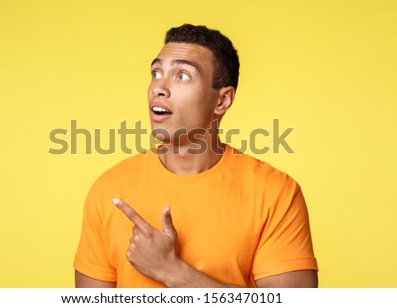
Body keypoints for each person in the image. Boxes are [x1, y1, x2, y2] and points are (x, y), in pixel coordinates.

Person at [73, 24, 318, 287]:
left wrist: (172, 271)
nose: (159, 87)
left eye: (183, 76)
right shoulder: (109, 190)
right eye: (156, 72)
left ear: (222, 101)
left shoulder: (275, 193)